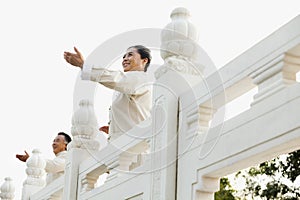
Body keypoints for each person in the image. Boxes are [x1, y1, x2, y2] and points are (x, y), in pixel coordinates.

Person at [64, 45, 152, 141]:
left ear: (144, 60)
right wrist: (114, 128)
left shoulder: (142, 78)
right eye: (124, 57)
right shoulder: (127, 85)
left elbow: (115, 78)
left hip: (135, 147)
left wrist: (83, 65)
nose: (125, 59)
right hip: (123, 145)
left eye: (130, 55)